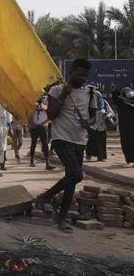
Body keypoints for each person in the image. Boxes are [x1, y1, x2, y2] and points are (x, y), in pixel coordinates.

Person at [37, 59, 97, 233]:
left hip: (80, 140)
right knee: (76, 175)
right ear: (71, 72)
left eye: (86, 75)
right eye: (80, 74)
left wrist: (89, 122)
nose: (83, 78)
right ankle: (46, 196)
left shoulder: (91, 92)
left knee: (71, 181)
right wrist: (64, 94)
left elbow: (93, 116)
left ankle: (60, 219)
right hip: (61, 138)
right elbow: (52, 115)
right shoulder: (56, 90)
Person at [86, 91, 114, 162]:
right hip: (92, 126)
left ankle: (100, 156)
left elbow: (111, 112)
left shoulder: (104, 103)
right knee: (92, 140)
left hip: (102, 126)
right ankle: (89, 154)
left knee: (101, 141)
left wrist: (107, 115)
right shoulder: (90, 103)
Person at [27, 97, 54, 169]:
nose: (39, 103)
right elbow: (29, 117)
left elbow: (49, 117)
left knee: (45, 144)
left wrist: (43, 123)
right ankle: (31, 162)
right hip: (34, 127)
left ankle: (47, 164)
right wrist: (31, 124)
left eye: (40, 101)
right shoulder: (32, 108)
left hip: (43, 127)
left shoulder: (45, 108)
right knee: (33, 144)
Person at [112, 86, 134, 166]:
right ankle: (129, 158)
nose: (128, 93)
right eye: (126, 92)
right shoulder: (121, 104)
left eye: (129, 91)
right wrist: (114, 91)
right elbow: (115, 99)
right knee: (126, 144)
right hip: (125, 128)